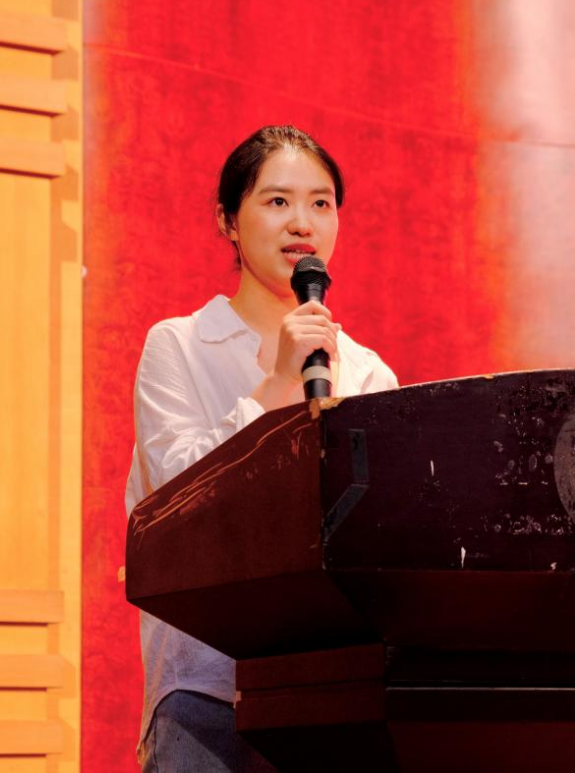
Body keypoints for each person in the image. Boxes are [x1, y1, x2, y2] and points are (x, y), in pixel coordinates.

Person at [124, 125, 399, 772]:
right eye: (277, 201)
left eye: (321, 203)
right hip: (206, 690)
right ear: (228, 220)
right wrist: (276, 384)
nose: (302, 222)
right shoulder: (180, 345)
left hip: (336, 690)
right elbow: (176, 503)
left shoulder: (367, 372)